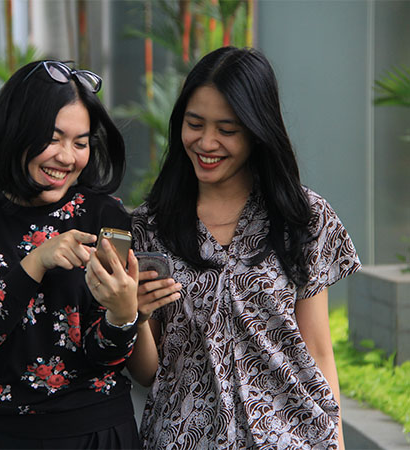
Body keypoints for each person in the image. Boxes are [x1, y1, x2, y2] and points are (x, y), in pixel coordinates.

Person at [127, 46, 361, 450]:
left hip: (291, 437)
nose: (206, 142)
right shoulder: (151, 227)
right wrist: (133, 313)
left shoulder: (302, 217)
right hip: (185, 439)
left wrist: (337, 443)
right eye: (194, 124)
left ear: (257, 130)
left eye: (227, 130)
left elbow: (318, 351)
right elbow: (149, 372)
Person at [0, 60, 141, 449]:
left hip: (97, 432)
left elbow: (106, 357)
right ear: (15, 131)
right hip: (2, 436)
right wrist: (36, 262)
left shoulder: (104, 215)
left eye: (80, 143)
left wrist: (123, 314)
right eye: (52, 138)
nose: (67, 157)